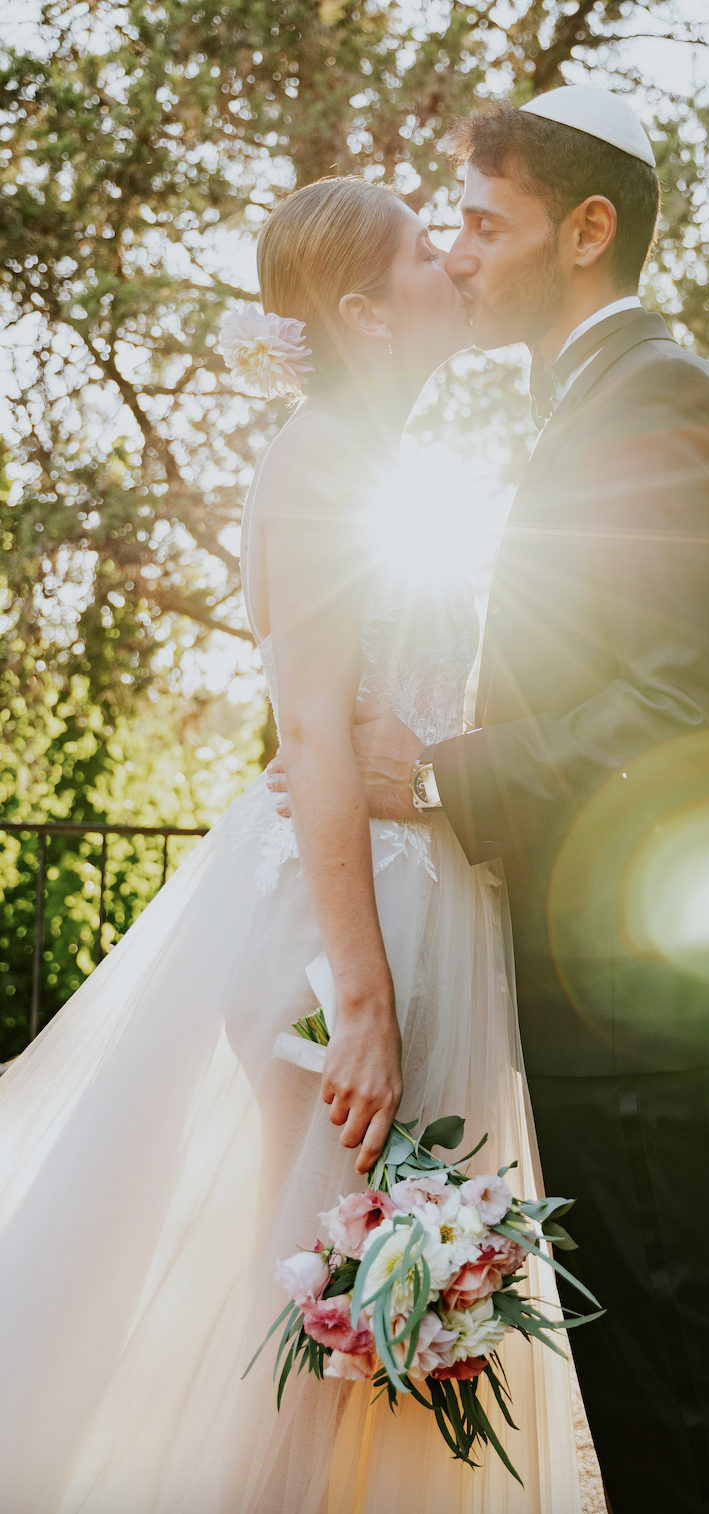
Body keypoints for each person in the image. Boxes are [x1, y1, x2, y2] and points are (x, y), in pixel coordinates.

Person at [0, 177, 581, 1512]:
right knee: (326, 1321)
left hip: (409, 900)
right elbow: (314, 734)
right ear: (369, 314)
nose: (452, 258)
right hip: (342, 937)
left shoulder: (387, 462)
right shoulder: (320, 463)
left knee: (377, 1329)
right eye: (422, 253)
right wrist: (363, 1001)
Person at [274, 87, 709, 1512]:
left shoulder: (658, 396)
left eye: (483, 224)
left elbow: (673, 707)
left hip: (636, 995)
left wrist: (437, 767)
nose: (459, 253)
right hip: (600, 992)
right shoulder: (598, 400)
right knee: (650, 1399)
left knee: (681, 1402)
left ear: (584, 230)